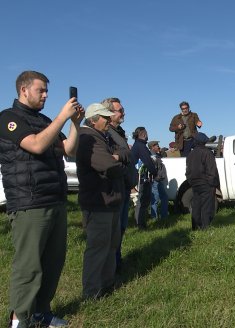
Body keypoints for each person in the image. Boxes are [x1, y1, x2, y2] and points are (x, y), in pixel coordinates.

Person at [0, 71, 83, 328]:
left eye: (47, 90)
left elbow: (68, 149)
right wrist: (61, 117)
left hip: (54, 199)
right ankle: (19, 320)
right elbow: (35, 145)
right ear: (24, 90)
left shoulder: (44, 120)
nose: (46, 95)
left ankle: (41, 313)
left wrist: (75, 124)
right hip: (29, 202)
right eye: (41, 90)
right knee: (29, 267)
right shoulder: (8, 118)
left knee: (52, 263)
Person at [77, 103, 129, 299]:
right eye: (105, 118)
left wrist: (118, 157)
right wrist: (120, 164)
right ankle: (92, 292)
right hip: (98, 203)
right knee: (98, 248)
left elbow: (124, 152)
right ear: (93, 120)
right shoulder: (87, 138)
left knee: (111, 245)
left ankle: (107, 285)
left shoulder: (103, 136)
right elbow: (110, 166)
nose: (108, 121)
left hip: (110, 200)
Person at [101, 97, 136, 273]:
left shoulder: (118, 131)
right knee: (114, 230)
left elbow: (125, 155)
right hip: (115, 186)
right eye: (119, 110)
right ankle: (113, 265)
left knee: (121, 227)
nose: (123, 112)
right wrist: (125, 154)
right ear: (108, 113)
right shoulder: (107, 133)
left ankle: (117, 261)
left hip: (124, 186)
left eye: (122, 109)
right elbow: (115, 156)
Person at [185, 132, 220, 230]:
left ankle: (195, 227)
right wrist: (213, 184)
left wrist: (191, 181)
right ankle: (205, 228)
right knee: (206, 206)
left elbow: (188, 170)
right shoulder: (207, 153)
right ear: (204, 141)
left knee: (196, 205)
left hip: (194, 183)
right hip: (206, 183)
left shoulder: (191, 154)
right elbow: (212, 170)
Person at [131, 127, 157, 229]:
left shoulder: (137, 145)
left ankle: (140, 222)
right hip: (141, 177)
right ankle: (140, 224)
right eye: (146, 133)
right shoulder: (141, 146)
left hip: (140, 176)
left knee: (143, 201)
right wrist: (154, 173)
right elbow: (148, 162)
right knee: (143, 200)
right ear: (143, 134)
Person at [148, 140, 169, 220]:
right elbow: (153, 169)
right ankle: (155, 218)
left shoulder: (156, 155)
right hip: (155, 181)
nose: (158, 147)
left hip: (158, 180)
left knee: (164, 197)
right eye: (157, 145)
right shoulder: (152, 156)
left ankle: (163, 216)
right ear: (153, 147)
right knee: (155, 199)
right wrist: (156, 177)